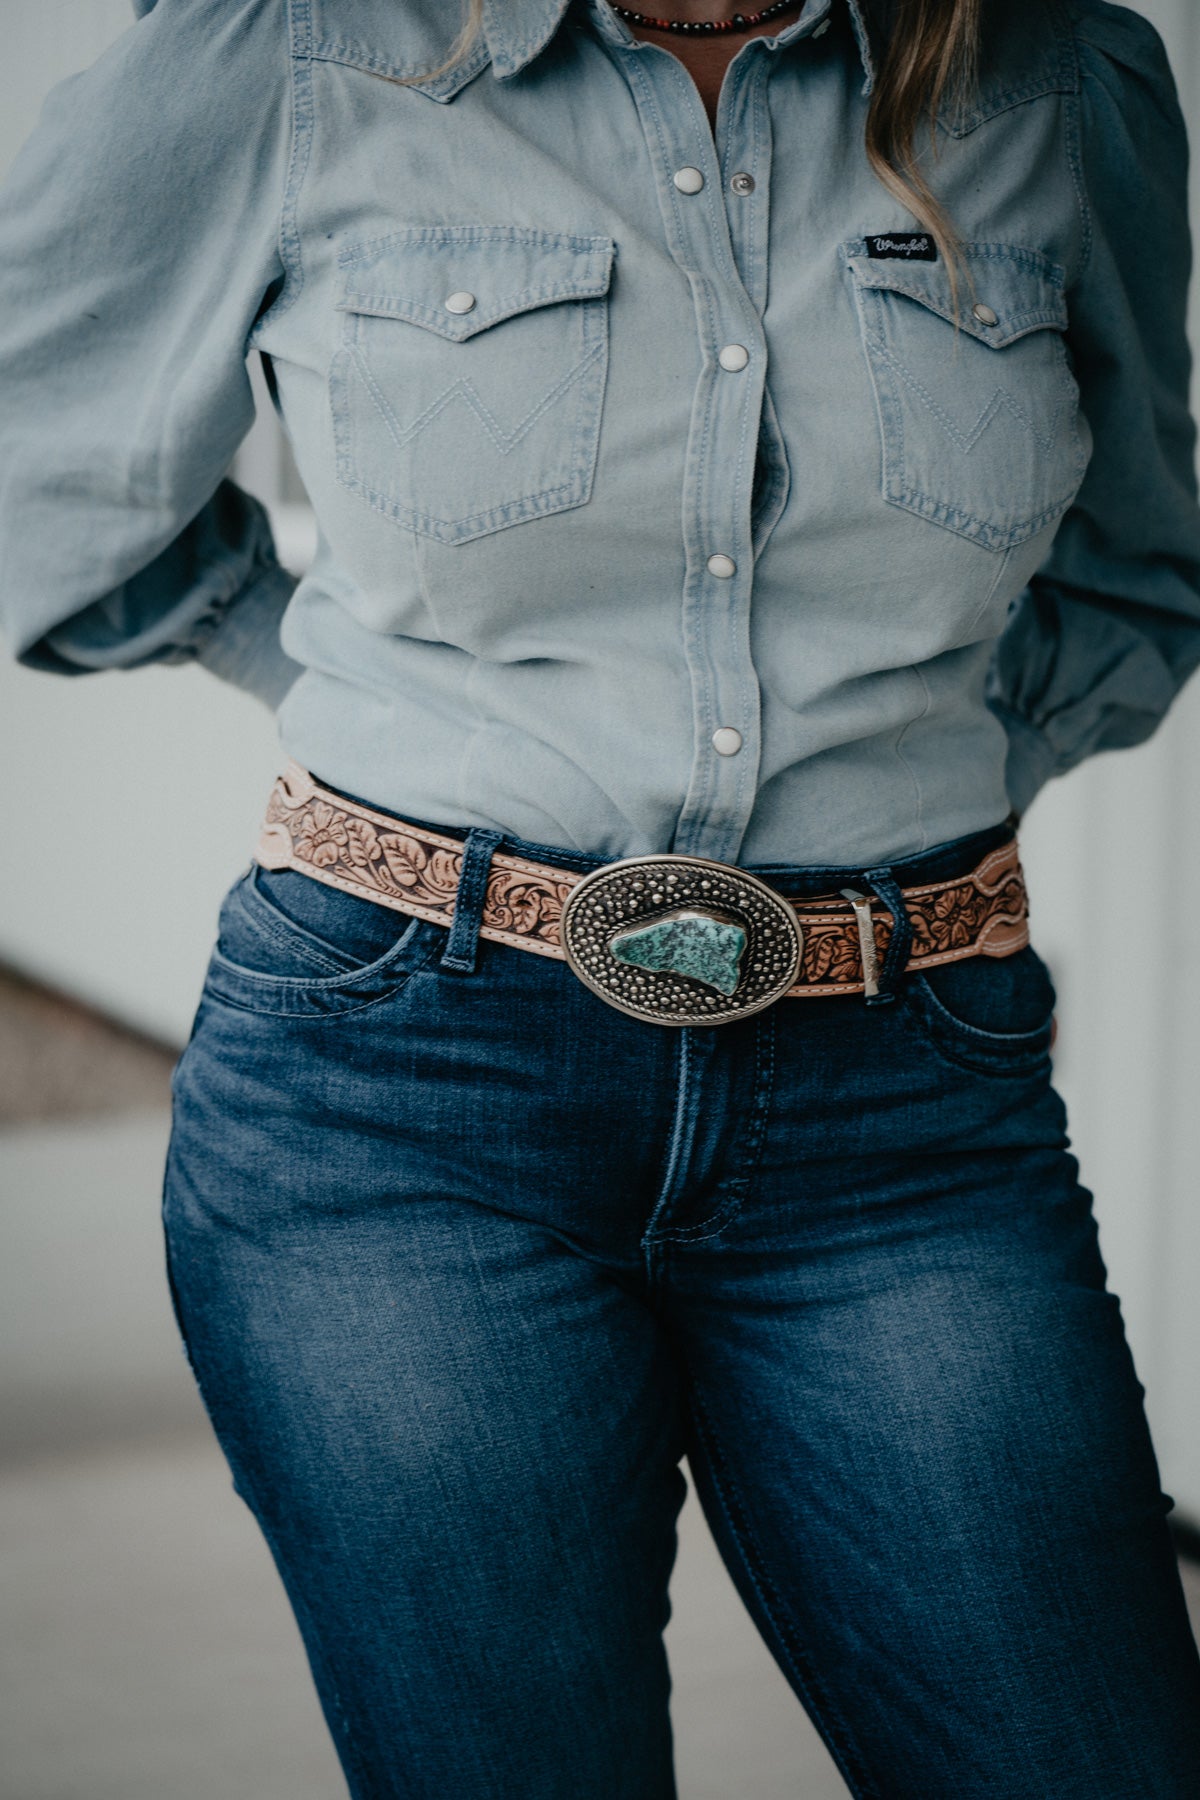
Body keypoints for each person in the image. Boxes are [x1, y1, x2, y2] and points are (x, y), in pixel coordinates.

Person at [2, 0, 1199, 1792]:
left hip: (904, 1119)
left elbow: (1139, 572)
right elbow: (37, 484)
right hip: (405, 1100)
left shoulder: (1056, 77)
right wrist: (323, 670)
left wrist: (910, 810)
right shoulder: (297, 47)